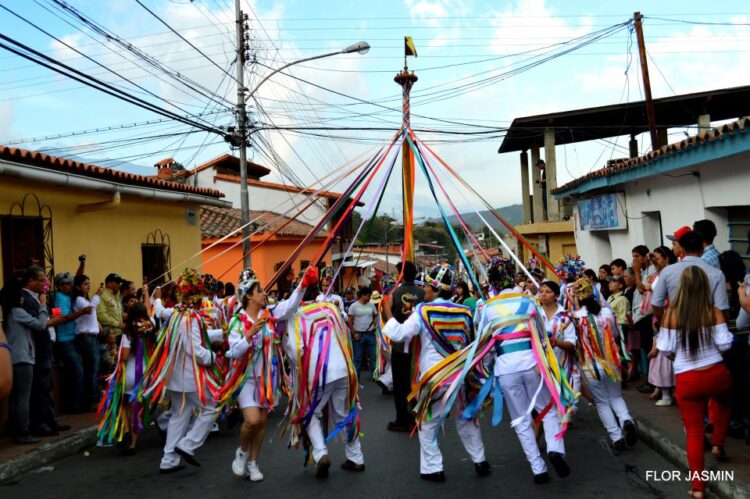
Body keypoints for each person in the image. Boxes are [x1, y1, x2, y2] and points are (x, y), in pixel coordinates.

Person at [382, 264, 489, 482]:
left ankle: (433, 468)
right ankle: (480, 460)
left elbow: (401, 334)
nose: (424, 291)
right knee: (466, 419)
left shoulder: (423, 310)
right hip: (460, 375)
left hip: (435, 375)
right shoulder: (465, 312)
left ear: (435, 288)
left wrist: (387, 312)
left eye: (427, 287)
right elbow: (470, 343)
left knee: (428, 422)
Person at [471, 259, 570, 484]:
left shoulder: (486, 307)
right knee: (548, 410)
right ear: (513, 277)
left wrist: (485, 370)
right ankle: (555, 449)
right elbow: (542, 337)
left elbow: (483, 342)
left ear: (492, 282)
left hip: (506, 368)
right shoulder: (529, 302)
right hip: (532, 364)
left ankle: (538, 468)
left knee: (521, 419)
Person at [221, 267, 314, 481]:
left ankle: (253, 463)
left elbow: (290, 306)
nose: (265, 293)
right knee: (251, 421)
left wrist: (303, 285)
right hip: (246, 380)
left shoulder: (269, 315)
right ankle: (242, 453)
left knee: (261, 423)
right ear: (250, 297)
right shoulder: (237, 322)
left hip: (267, 379)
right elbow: (233, 352)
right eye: (260, 290)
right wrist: (250, 335)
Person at [656, 266, 733, 499]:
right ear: (705, 287)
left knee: (694, 433)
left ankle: (698, 488)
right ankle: (719, 442)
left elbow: (665, 348)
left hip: (687, 378)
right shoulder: (714, 311)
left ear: (682, 287)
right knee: (725, 402)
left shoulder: (671, 314)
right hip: (715, 373)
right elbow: (726, 344)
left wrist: (678, 358)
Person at [140, 268, 222, 474]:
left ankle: (169, 460)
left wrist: (222, 333)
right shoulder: (190, 318)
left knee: (179, 415)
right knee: (211, 407)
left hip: (176, 377)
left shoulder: (176, 313)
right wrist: (216, 356)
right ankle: (188, 445)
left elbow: (159, 311)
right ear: (195, 297)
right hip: (190, 378)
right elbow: (197, 351)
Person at [283, 283, 364, 479]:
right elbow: (345, 334)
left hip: (318, 373)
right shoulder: (331, 308)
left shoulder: (297, 315)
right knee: (343, 413)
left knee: (310, 413)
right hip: (343, 368)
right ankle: (356, 457)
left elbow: (295, 350)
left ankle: (320, 454)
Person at [573, 278, 636, 451]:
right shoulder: (607, 313)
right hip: (611, 363)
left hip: (590, 366)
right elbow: (615, 334)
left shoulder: (576, 317)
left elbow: (573, 342)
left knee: (602, 403)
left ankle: (616, 438)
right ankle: (626, 420)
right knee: (616, 396)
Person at [97, 302, 154, 454]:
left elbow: (125, 356)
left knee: (123, 406)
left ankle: (127, 431)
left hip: (130, 374)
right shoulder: (150, 327)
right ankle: (133, 444)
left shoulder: (129, 332)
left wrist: (118, 354)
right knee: (138, 411)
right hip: (146, 374)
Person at [652, 230, 730, 323]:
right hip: (706, 329)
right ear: (702, 249)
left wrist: (664, 323)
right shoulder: (716, 273)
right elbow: (722, 309)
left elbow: (656, 304)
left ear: (682, 249)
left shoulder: (667, 271)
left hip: (677, 328)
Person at [387, 261, 424, 432]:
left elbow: (390, 315)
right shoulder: (422, 292)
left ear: (401, 274)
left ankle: (402, 418)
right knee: (415, 381)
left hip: (400, 345)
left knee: (400, 384)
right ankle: (418, 416)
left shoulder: (396, 292)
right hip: (418, 346)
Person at [539, 281, 578, 413]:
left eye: (548, 292)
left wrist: (556, 343)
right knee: (542, 405)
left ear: (556, 296)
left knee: (557, 404)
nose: (543, 294)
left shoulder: (564, 317)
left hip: (560, 366)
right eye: (541, 291)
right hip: (538, 366)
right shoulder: (534, 314)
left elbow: (572, 343)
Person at [53, 271, 90, 413]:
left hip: (72, 338)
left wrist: (82, 264)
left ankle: (77, 402)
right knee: (77, 371)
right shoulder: (59, 298)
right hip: (64, 339)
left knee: (76, 371)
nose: (71, 286)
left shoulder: (66, 295)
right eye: (67, 284)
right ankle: (75, 405)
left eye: (71, 283)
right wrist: (82, 312)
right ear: (60, 286)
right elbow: (61, 318)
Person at [644, 246, 677, 401]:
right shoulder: (660, 272)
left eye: (658, 257)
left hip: (666, 314)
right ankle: (663, 389)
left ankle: (668, 391)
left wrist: (663, 319)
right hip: (660, 315)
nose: (654, 260)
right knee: (662, 352)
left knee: (665, 352)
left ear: (667, 258)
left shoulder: (669, 272)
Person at [73, 274, 104, 411]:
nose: (88, 286)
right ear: (78, 287)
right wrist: (97, 295)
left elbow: (91, 314)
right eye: (85, 284)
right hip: (85, 337)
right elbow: (90, 310)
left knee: (95, 369)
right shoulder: (79, 299)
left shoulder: (86, 299)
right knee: (91, 370)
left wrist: (97, 324)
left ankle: (94, 396)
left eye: (89, 283)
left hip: (92, 336)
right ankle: (91, 400)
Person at [347, 286, 378, 380]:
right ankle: (356, 377)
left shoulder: (371, 305)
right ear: (362, 295)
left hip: (370, 334)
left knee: (373, 356)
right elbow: (350, 320)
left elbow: (375, 315)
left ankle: (374, 375)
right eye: (368, 296)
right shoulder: (354, 306)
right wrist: (353, 333)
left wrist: (374, 325)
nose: (369, 298)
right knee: (358, 357)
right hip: (358, 334)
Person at [97, 273, 126, 342]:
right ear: (109, 284)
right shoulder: (102, 295)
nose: (120, 285)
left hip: (120, 333)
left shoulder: (115, 295)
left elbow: (116, 313)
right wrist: (118, 324)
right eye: (117, 283)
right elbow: (101, 316)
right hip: (110, 336)